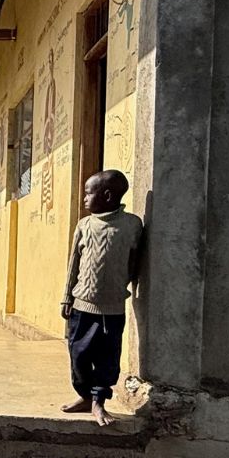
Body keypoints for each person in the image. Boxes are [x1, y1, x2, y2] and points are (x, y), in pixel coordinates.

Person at [61, 170, 144, 426]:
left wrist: (119, 286)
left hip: (112, 309)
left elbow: (135, 262)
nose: (84, 198)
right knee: (78, 355)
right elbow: (73, 264)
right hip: (81, 306)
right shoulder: (84, 225)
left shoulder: (132, 225)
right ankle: (85, 396)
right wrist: (66, 298)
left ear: (107, 196)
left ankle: (98, 401)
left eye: (89, 193)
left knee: (107, 359)